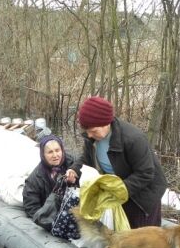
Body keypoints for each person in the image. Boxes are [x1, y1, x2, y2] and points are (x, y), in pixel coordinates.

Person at [66, 96, 167, 229]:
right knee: (120, 233)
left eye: (93, 131)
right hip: (118, 190)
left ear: (106, 123)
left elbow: (146, 173)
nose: (89, 135)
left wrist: (118, 189)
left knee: (139, 237)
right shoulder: (93, 139)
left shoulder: (133, 139)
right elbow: (86, 158)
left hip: (142, 196)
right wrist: (74, 169)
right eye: (87, 131)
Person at [22, 135, 77, 232]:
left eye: (57, 150)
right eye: (50, 152)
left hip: (74, 212)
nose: (55, 155)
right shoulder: (34, 179)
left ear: (62, 150)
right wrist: (52, 222)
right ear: (43, 155)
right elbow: (31, 208)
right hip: (53, 217)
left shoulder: (73, 165)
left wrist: (72, 183)